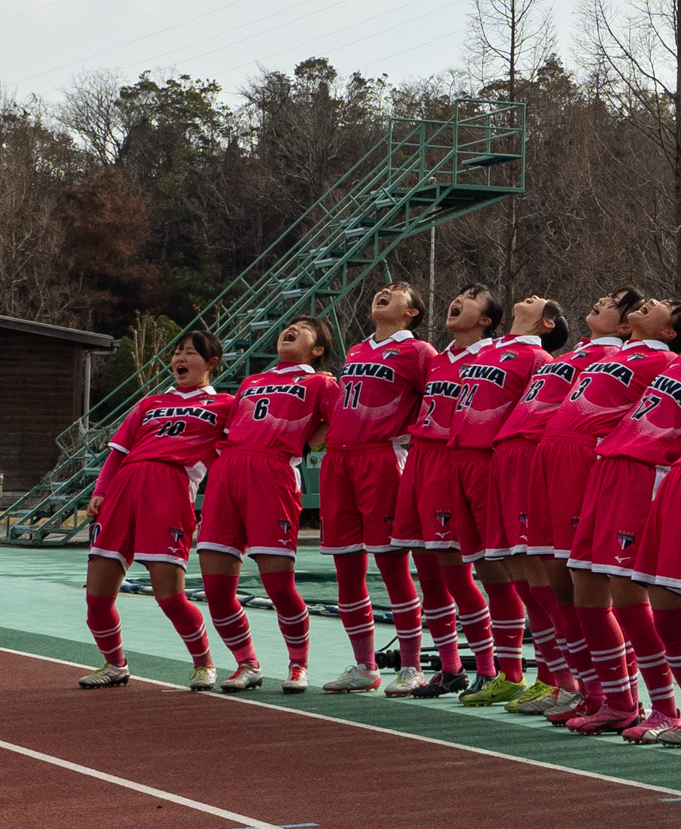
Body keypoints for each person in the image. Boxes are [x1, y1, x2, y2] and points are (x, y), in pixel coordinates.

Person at [534, 291, 681, 725]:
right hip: (567, 461)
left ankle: (648, 703)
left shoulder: (665, 361)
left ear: (669, 331)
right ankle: (599, 694)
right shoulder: (611, 354)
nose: (650, 300)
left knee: (610, 590)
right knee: (570, 587)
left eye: (664, 304)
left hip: (594, 464)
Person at [76, 330, 234, 691]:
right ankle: (115, 665)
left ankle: (204, 664)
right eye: (177, 352)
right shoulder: (150, 403)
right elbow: (118, 453)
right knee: (96, 597)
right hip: (123, 490)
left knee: (170, 597)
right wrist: (101, 492)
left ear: (211, 362)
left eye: (190, 353)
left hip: (170, 492)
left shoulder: (226, 404)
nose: (180, 359)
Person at [194, 318, 340, 693]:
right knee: (216, 590)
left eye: (301, 328)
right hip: (228, 473)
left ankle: (298, 664)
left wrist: (305, 445)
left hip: (273, 473)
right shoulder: (252, 381)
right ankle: (247, 664)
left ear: (317, 349)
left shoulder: (321, 383)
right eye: (287, 326)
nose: (289, 330)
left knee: (278, 585)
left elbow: (338, 420)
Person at [492, 296, 615, 716]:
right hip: (508, 454)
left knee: (553, 582)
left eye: (616, 303)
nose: (601, 301)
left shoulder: (587, 356)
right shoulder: (574, 354)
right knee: (525, 582)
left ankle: (577, 684)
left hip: (541, 455)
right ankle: (561, 681)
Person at [389, 287, 508, 698]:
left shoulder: (494, 357)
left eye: (471, 298)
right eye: (457, 295)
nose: (457, 300)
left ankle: (488, 669)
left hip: (455, 459)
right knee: (428, 572)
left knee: (458, 572)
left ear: (486, 320)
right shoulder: (437, 359)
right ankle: (450, 667)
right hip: (420, 457)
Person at [317, 285, 435, 695]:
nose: (384, 291)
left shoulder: (419, 352)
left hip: (381, 458)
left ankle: (411, 666)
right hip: (338, 461)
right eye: (383, 289)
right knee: (347, 568)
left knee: (391, 565)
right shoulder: (357, 349)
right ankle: (365, 666)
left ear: (412, 312)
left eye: (397, 292)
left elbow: (436, 399)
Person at [447, 302, 551, 707]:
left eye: (538, 301)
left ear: (547, 323)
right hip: (458, 459)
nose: (529, 296)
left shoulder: (538, 357)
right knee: (489, 571)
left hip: (493, 461)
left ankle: (547, 676)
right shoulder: (488, 351)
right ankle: (506, 674)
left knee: (518, 573)